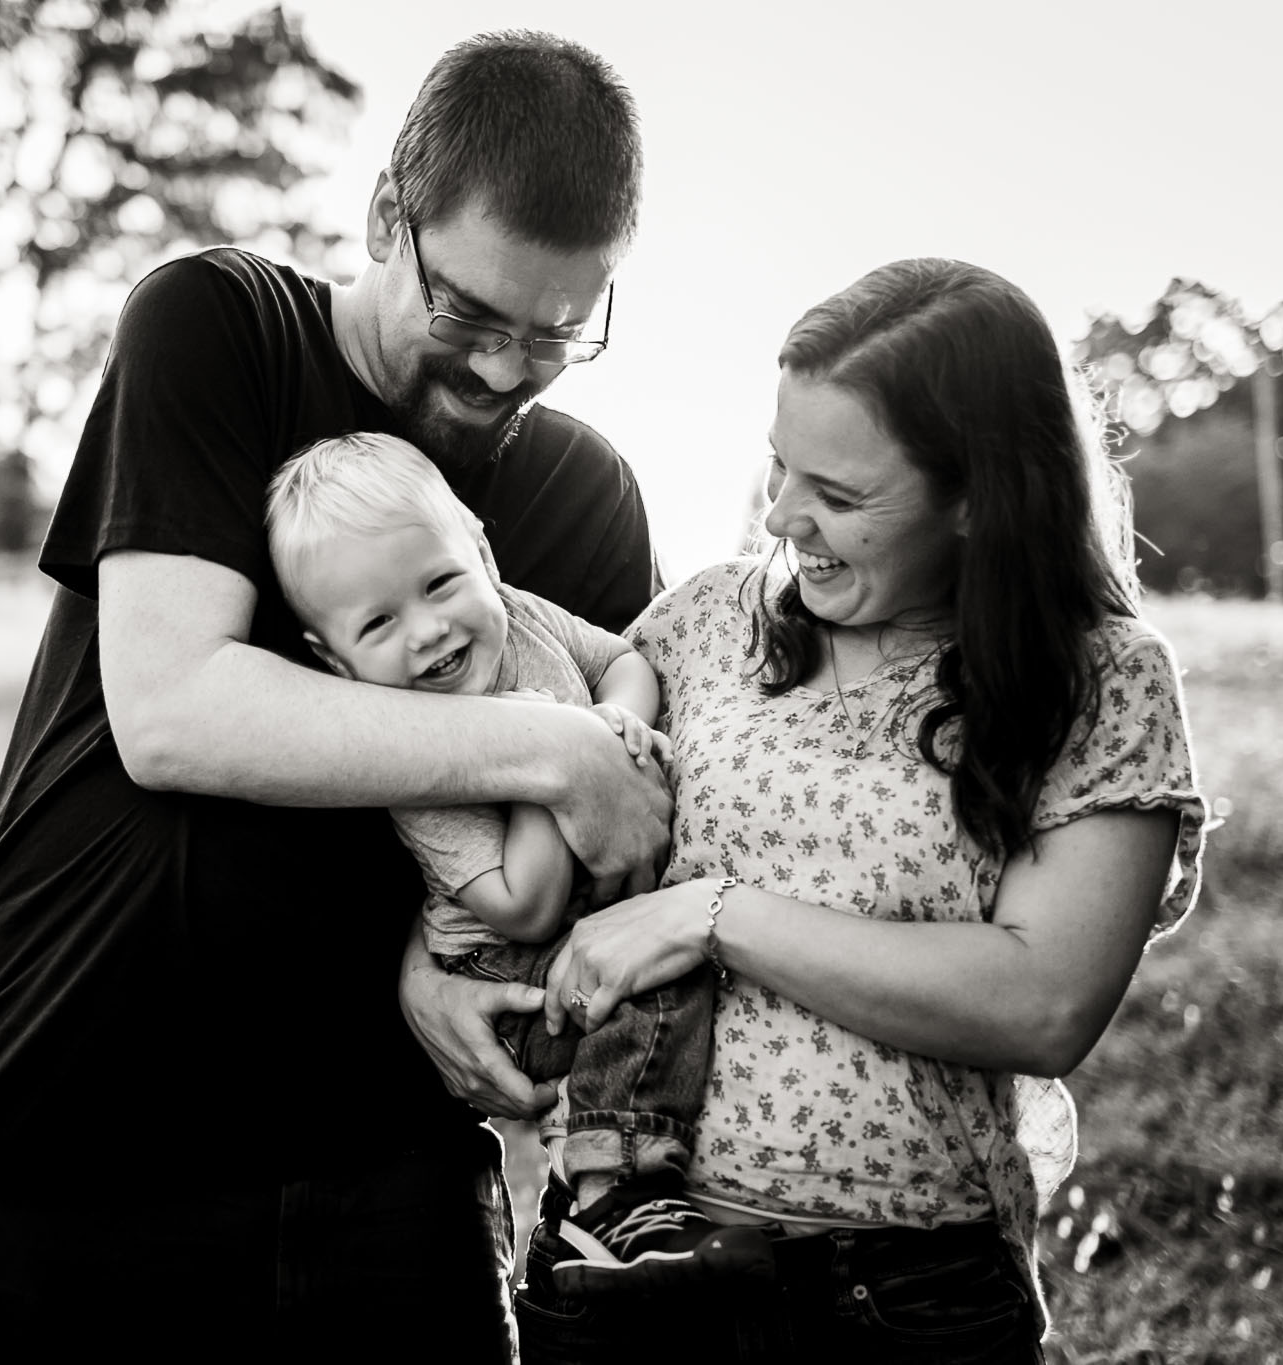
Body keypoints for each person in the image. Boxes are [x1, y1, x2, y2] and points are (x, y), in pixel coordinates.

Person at [0, 32, 665, 1363]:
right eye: (467, 315)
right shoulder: (220, 325)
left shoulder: (582, 495)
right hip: (61, 1130)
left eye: (554, 335)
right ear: (382, 217)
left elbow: (607, 830)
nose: (497, 371)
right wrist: (547, 742)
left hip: (387, 1174)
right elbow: (176, 706)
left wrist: (436, 960)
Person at [512, 257, 1208, 1363]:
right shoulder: (705, 623)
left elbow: (1042, 1002)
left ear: (978, 495)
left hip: (894, 1299)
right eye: (780, 466)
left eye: (838, 496)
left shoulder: (1096, 679)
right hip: (622, 1272)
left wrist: (712, 913)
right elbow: (547, 749)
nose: (785, 517)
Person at [266, 432, 775, 1292]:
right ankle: (605, 1198)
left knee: (678, 961)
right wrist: (551, 756)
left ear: (481, 548)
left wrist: (614, 716)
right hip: (503, 971)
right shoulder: (409, 757)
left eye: (440, 583)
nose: (428, 631)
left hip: (573, 922)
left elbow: (623, 661)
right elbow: (525, 904)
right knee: (651, 985)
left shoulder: (524, 615)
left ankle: (672, 1175)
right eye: (379, 623)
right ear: (333, 660)